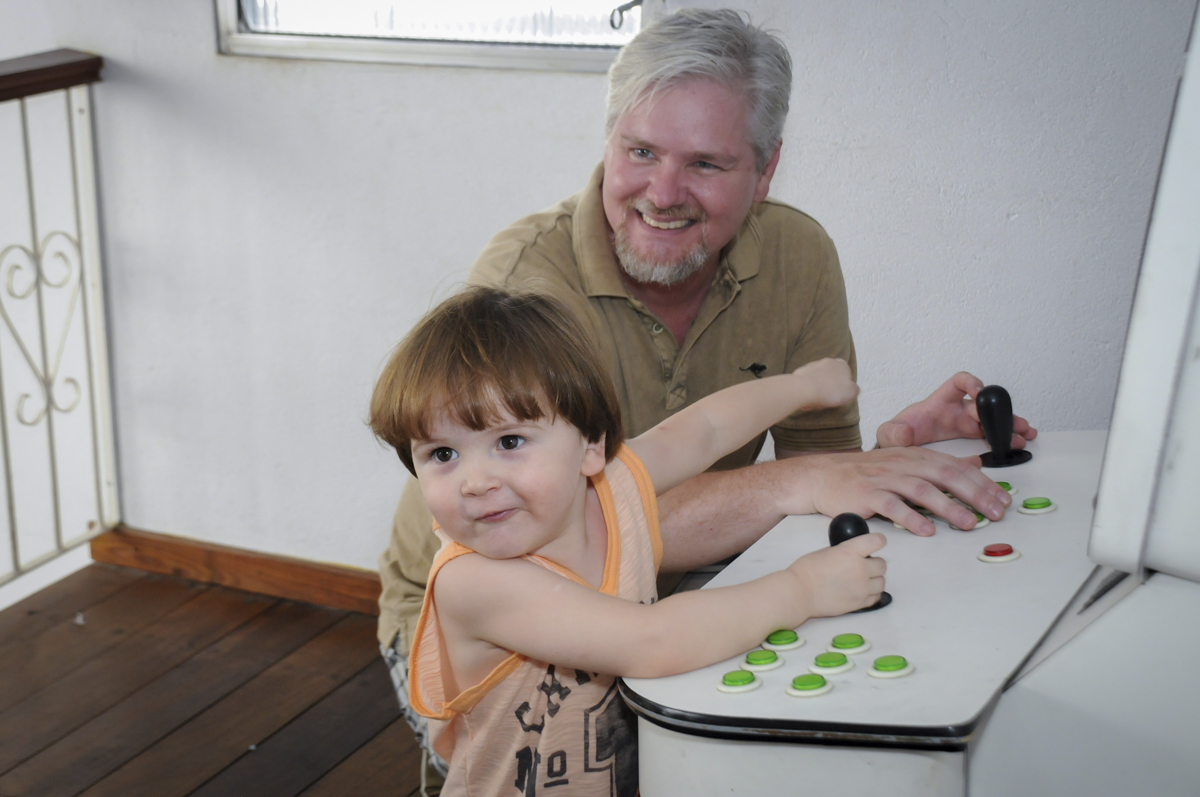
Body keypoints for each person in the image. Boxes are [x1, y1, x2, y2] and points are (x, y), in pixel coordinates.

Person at [375, 9, 1036, 789]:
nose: (662, 192)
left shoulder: (799, 254)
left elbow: (770, 455)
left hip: (687, 597)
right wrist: (795, 531)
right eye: (641, 151)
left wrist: (886, 451)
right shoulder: (524, 304)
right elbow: (598, 540)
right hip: (515, 609)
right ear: (609, 138)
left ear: (766, 169)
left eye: (706, 164)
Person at [369, 286, 884, 797]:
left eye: (509, 442)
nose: (474, 481)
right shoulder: (474, 582)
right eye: (442, 454)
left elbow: (704, 429)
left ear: (591, 446)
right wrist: (803, 590)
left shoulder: (611, 488)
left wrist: (801, 386)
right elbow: (656, 642)